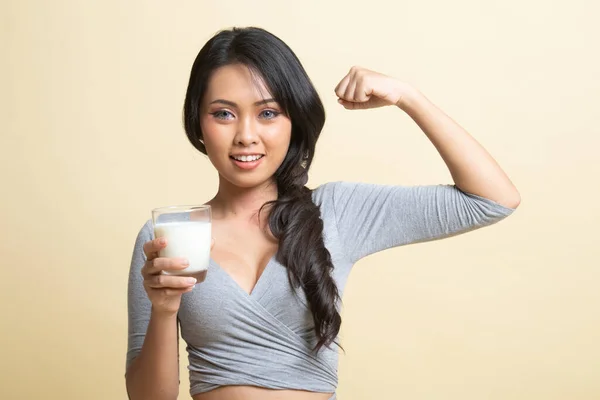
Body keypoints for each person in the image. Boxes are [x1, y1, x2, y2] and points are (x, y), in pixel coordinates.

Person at [125, 26, 520, 400]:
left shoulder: (337, 212)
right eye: (224, 113)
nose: (246, 134)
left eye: (268, 113)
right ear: (198, 122)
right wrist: (164, 309)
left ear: (295, 121)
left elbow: (492, 199)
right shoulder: (168, 234)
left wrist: (407, 96)